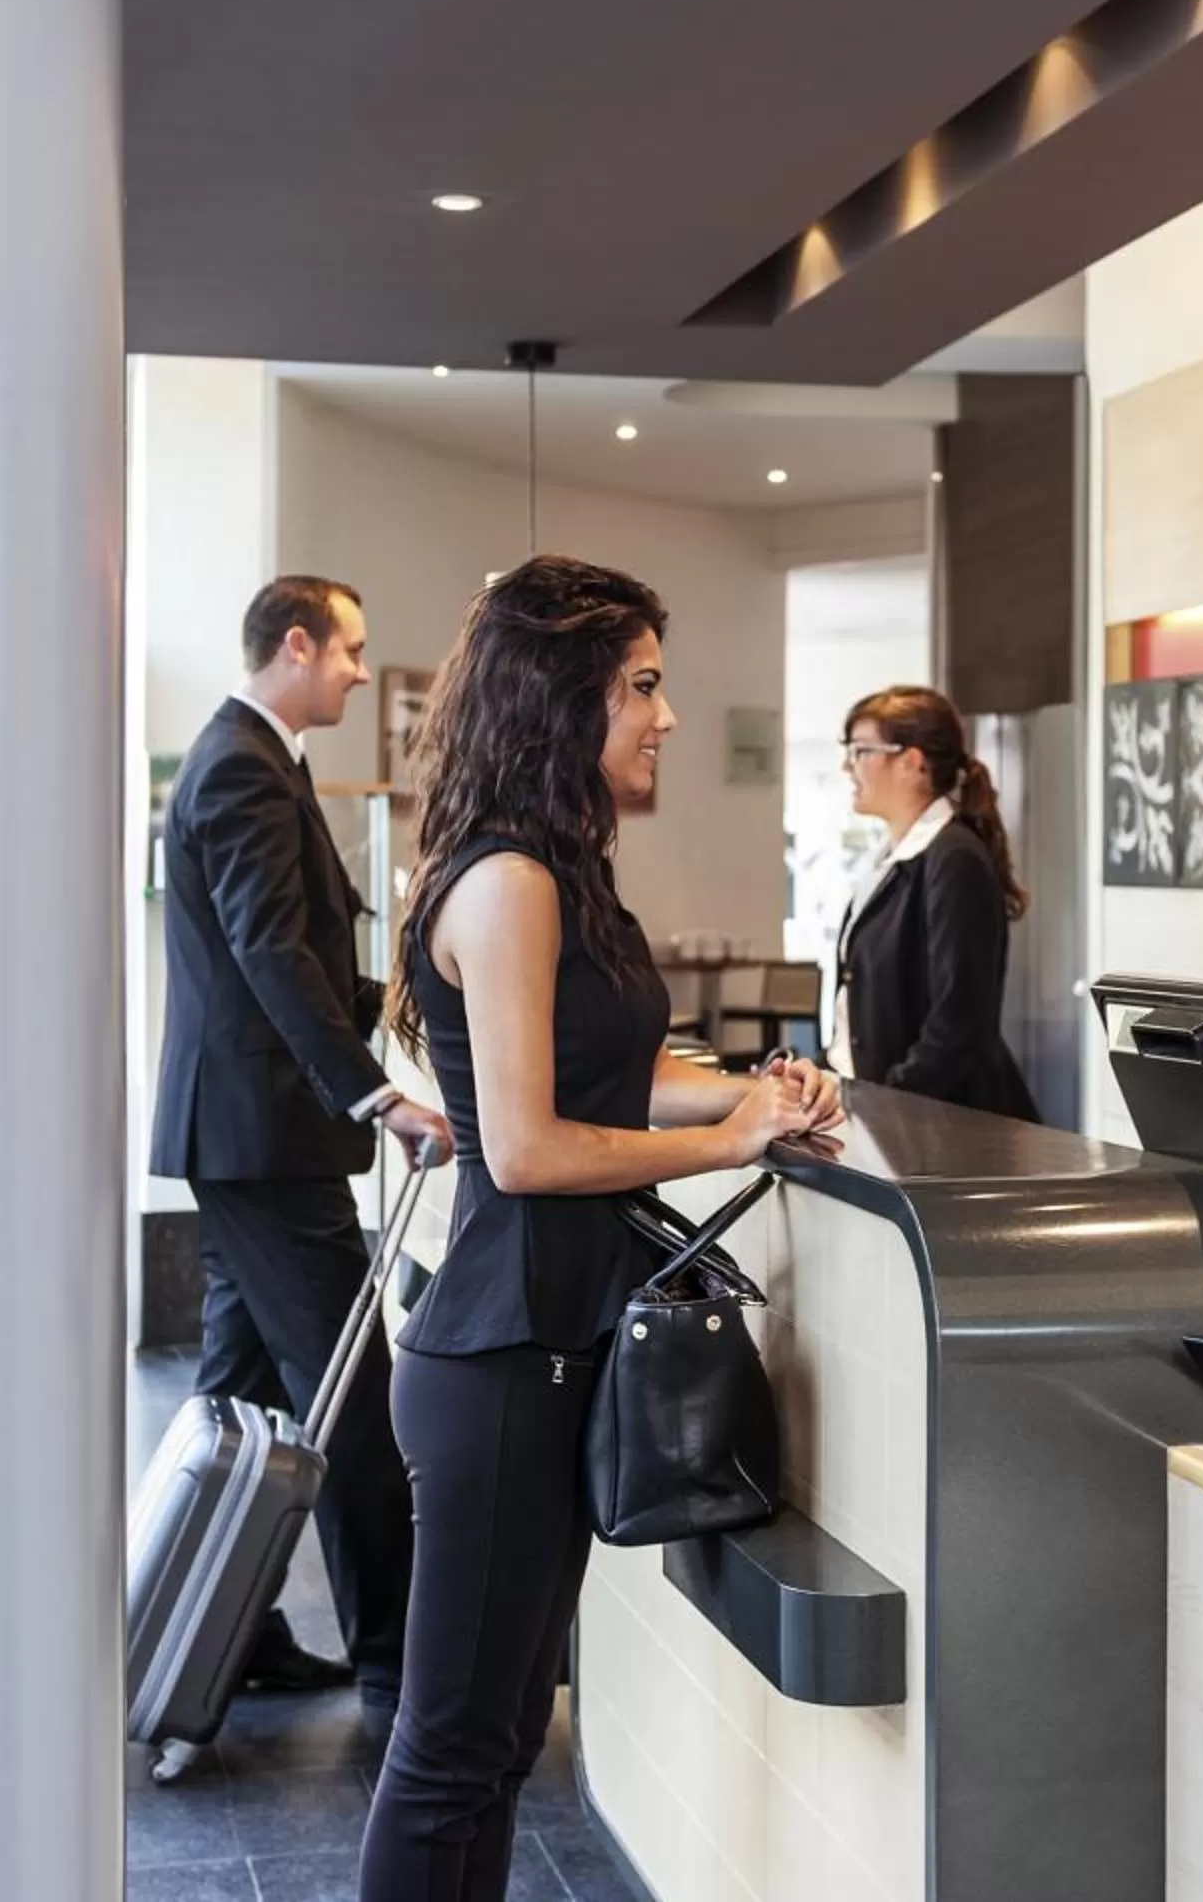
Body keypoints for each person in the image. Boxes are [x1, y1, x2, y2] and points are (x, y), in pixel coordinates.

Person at [358, 555, 843, 1901]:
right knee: (454, 1749)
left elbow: (607, 1074)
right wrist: (730, 1139)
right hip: (500, 1364)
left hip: (542, 1353)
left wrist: (760, 1091)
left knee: (504, 1743)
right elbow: (524, 1148)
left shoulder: (563, 871)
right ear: (561, 700)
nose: (667, 716)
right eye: (642, 686)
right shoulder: (509, 882)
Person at [148, 575, 455, 1708]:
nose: (362, 671)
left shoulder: (256, 758)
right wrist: (378, 1097)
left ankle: (229, 1621)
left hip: (249, 1134)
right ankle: (397, 1653)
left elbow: (289, 956)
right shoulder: (241, 762)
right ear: (296, 644)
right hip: (267, 1136)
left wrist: (399, 996)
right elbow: (269, 954)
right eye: (351, 650)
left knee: (245, 1399)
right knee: (352, 1387)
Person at [829, 685, 1040, 1121]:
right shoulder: (893, 858)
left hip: (944, 1126)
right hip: (894, 1116)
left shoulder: (954, 858)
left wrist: (888, 1103)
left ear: (912, 762)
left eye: (860, 751)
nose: (846, 767)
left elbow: (958, 1021)